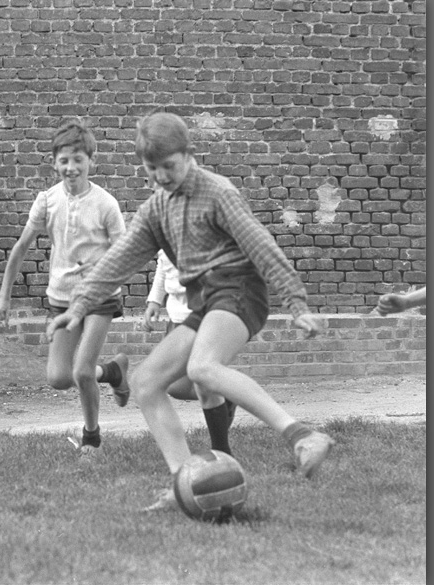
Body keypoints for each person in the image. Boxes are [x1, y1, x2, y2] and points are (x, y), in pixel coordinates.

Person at [47, 112, 335, 511]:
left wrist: (296, 303)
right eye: (153, 168)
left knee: (202, 368)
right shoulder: (155, 209)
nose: (161, 175)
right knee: (146, 381)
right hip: (205, 299)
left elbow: (261, 245)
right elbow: (118, 259)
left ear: (188, 155)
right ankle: (186, 483)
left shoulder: (217, 192)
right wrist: (78, 306)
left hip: (238, 289)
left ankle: (303, 436)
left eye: (169, 166)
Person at [0, 120, 131, 458]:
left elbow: (126, 251)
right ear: (55, 162)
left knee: (82, 370)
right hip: (61, 298)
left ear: (91, 161)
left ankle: (92, 438)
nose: (71, 167)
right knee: (58, 378)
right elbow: (21, 247)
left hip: (99, 296)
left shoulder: (105, 204)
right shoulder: (47, 201)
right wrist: (4, 297)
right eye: (64, 160)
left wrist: (101, 267)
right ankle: (113, 371)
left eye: (78, 159)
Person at [144, 249, 238, 455]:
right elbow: (163, 265)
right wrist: (154, 300)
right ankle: (228, 393)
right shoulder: (162, 224)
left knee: (204, 382)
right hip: (177, 317)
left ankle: (221, 451)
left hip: (206, 315)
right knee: (175, 387)